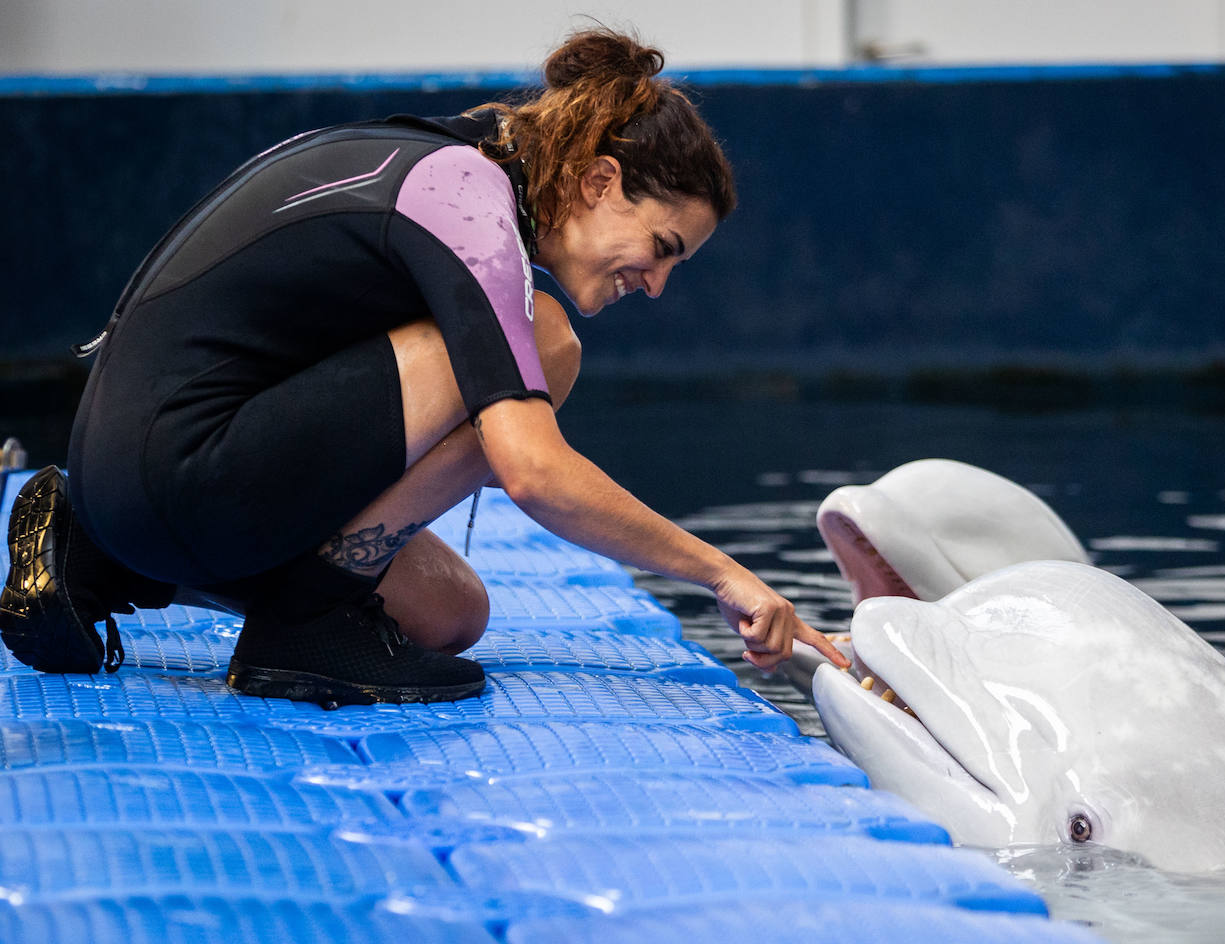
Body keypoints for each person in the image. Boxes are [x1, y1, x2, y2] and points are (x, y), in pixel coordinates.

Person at [0, 28, 849, 707]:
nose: (657, 285)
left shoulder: (481, 160)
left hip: (141, 489)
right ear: (599, 181)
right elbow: (535, 474)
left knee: (450, 612)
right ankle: (308, 621)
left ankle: (97, 560)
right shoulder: (464, 195)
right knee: (545, 342)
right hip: (170, 462)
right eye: (662, 249)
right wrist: (726, 574)